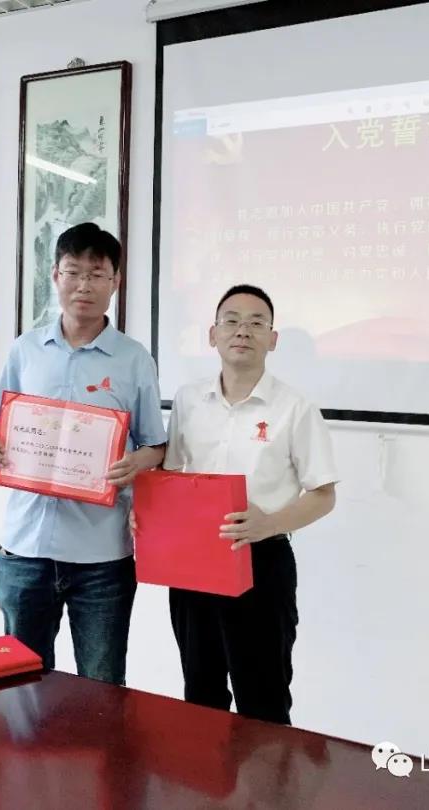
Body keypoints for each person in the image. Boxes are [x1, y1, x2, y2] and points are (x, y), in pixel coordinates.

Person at [0, 223, 166, 685]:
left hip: (101, 556)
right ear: (55, 275)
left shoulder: (134, 359)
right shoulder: (26, 350)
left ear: (115, 282)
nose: (84, 285)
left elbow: (156, 447)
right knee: (20, 684)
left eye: (97, 274)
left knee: (101, 687)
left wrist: (137, 462)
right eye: (74, 272)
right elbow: (0, 426)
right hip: (25, 549)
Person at [161, 284, 338, 724]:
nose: (243, 331)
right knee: (200, 694)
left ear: (272, 339)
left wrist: (268, 523)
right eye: (232, 321)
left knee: (263, 700)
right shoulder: (188, 400)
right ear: (213, 334)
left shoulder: (295, 408)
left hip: (262, 563)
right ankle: (206, 771)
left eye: (256, 323)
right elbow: (171, 474)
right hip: (194, 564)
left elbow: (323, 494)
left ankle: (269, 774)